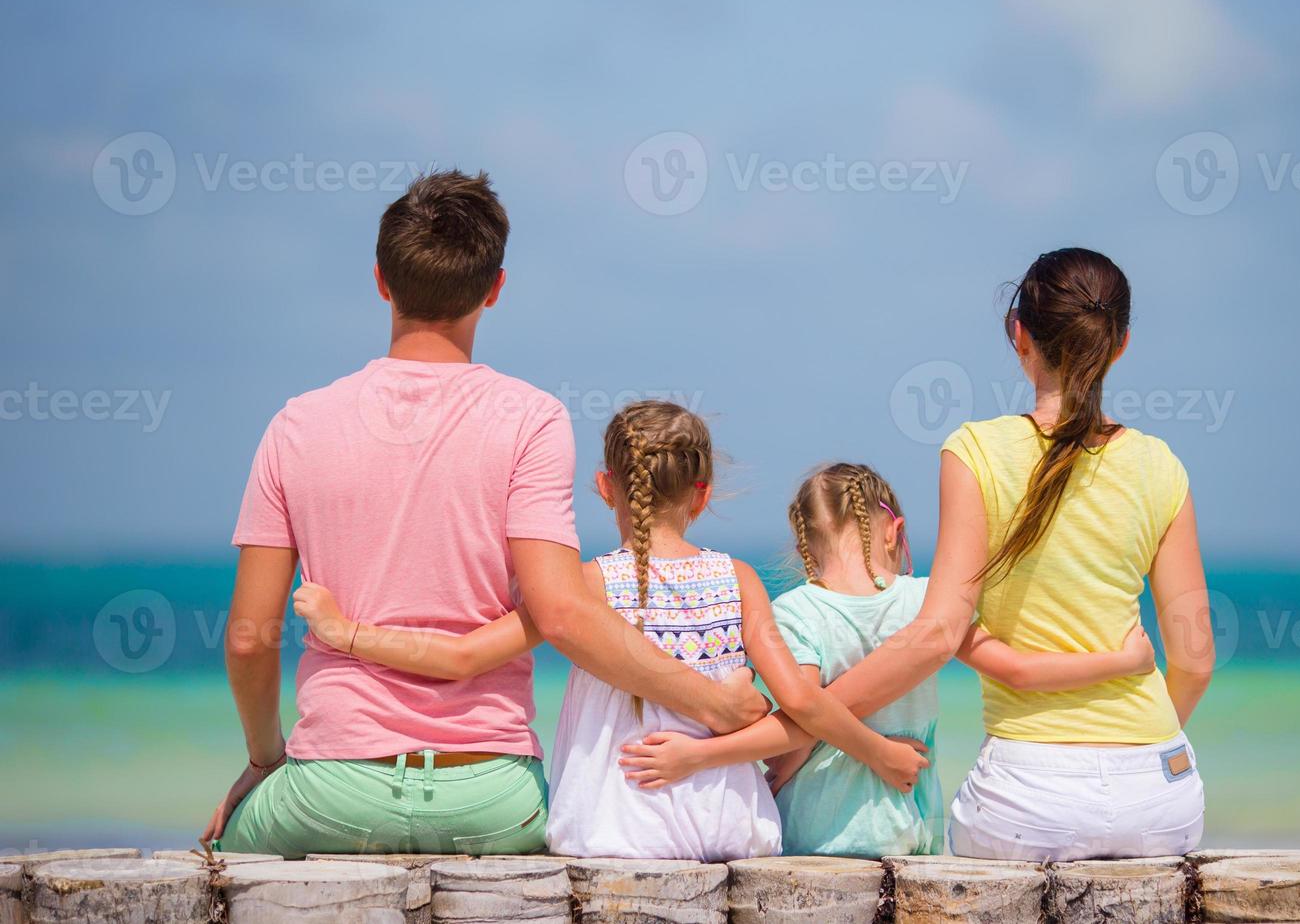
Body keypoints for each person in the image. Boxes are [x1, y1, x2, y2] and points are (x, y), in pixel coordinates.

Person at [202, 171, 767, 857]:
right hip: (493, 796)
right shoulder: (531, 421)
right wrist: (709, 702)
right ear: (494, 288)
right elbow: (560, 613)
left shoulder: (297, 426)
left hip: (333, 788)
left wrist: (266, 762)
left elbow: (248, 638)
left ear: (381, 280)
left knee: (225, 846)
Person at [294, 402, 929, 860]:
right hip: (730, 825)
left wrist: (345, 632)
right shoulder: (739, 580)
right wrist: (877, 751)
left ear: (606, 489)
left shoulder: (584, 585)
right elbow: (800, 701)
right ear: (702, 495)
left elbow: (463, 657)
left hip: (613, 827)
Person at [797, 248, 1215, 861]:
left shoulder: (975, 451)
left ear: (1019, 334)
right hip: (1163, 794)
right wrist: (1134, 754)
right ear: (1119, 345)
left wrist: (804, 721)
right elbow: (1196, 660)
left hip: (1030, 797)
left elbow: (938, 633)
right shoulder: (1160, 465)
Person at [619, 462, 1156, 857]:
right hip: (906, 832)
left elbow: (802, 718)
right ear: (895, 529)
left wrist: (699, 756)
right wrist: (1123, 661)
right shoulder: (928, 603)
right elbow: (1019, 671)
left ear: (805, 542)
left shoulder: (796, 611)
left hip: (811, 832)